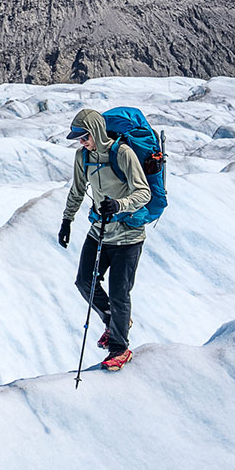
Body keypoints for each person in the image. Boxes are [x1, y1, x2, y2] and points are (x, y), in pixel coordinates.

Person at [57, 108, 152, 371]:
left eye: (84, 136)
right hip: (99, 231)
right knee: (84, 281)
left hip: (128, 236)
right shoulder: (82, 157)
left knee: (120, 293)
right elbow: (77, 190)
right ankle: (114, 320)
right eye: (78, 138)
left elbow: (143, 192)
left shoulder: (122, 154)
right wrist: (67, 220)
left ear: (96, 131)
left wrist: (119, 205)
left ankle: (119, 349)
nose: (81, 141)